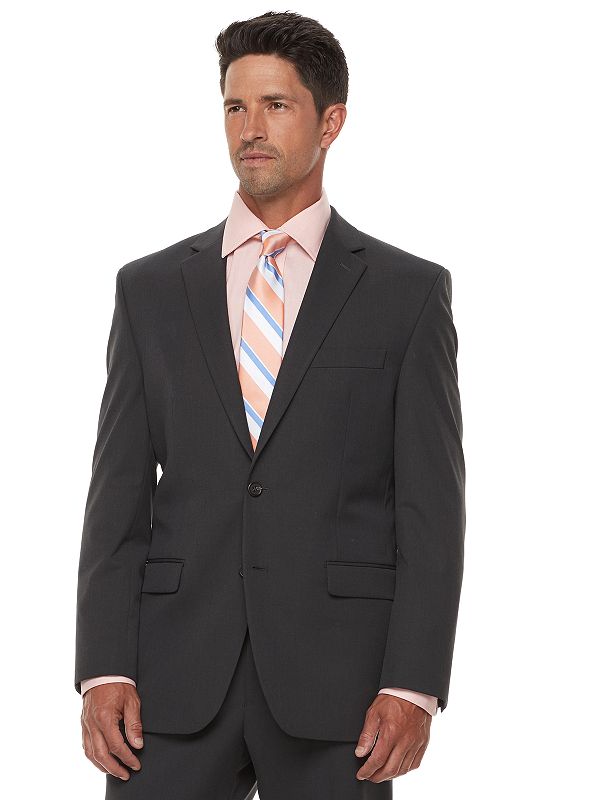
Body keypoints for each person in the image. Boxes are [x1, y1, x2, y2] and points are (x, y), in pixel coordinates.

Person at [75, 10, 465, 798]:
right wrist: (103, 667)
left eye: (276, 105)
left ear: (331, 123)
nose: (250, 129)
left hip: (344, 687)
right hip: (170, 682)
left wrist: (413, 683)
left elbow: (431, 507)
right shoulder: (149, 290)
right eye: (235, 106)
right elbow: (117, 494)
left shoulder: (407, 294)